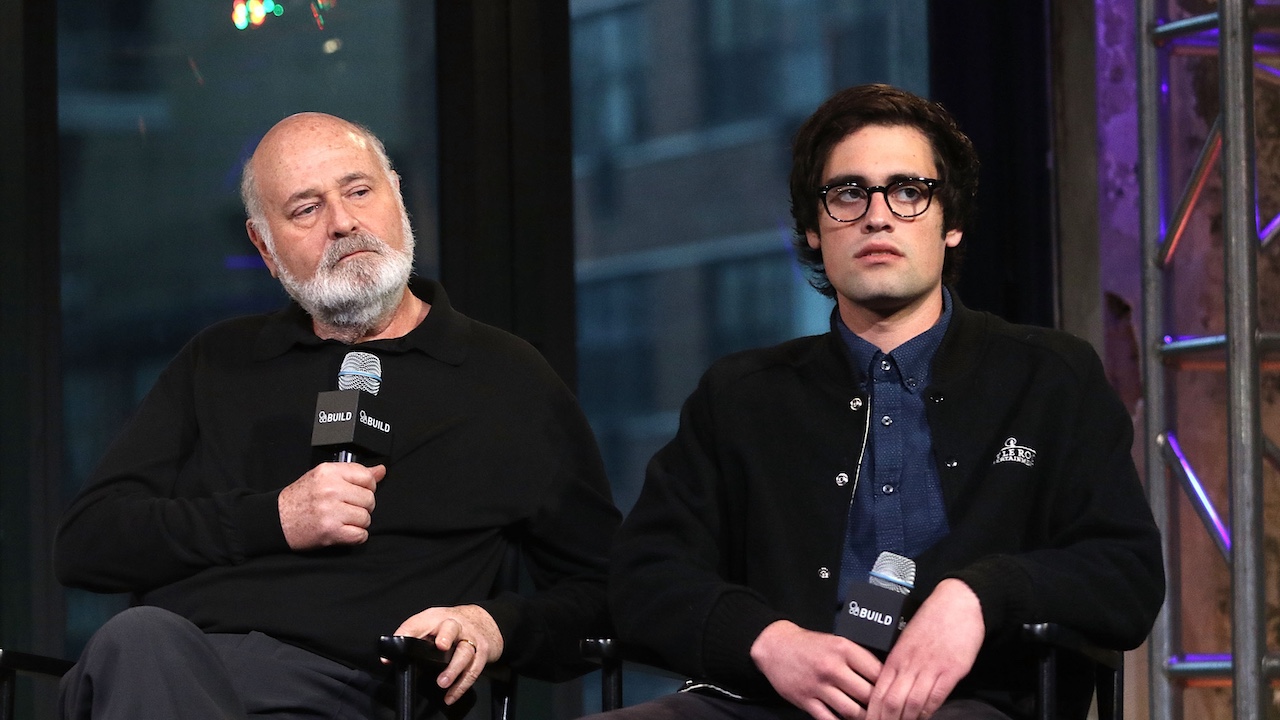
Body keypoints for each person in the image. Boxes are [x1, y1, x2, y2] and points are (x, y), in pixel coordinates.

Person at [585, 84, 1165, 720]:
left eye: (909, 191)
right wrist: (768, 641)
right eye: (848, 193)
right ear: (813, 228)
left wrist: (979, 595)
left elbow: (1125, 572)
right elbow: (644, 575)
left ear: (953, 223)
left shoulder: (1050, 377)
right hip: (773, 705)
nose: (878, 216)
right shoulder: (741, 396)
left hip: (972, 706)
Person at [54, 112, 621, 720]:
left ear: (399, 197)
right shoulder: (218, 362)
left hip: (358, 694)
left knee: (136, 646)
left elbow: (610, 592)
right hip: (166, 670)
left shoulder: (506, 378)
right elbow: (89, 544)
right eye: (305, 209)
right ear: (263, 246)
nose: (344, 223)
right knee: (138, 642)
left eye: (358, 191)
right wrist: (276, 518)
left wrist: (494, 624)